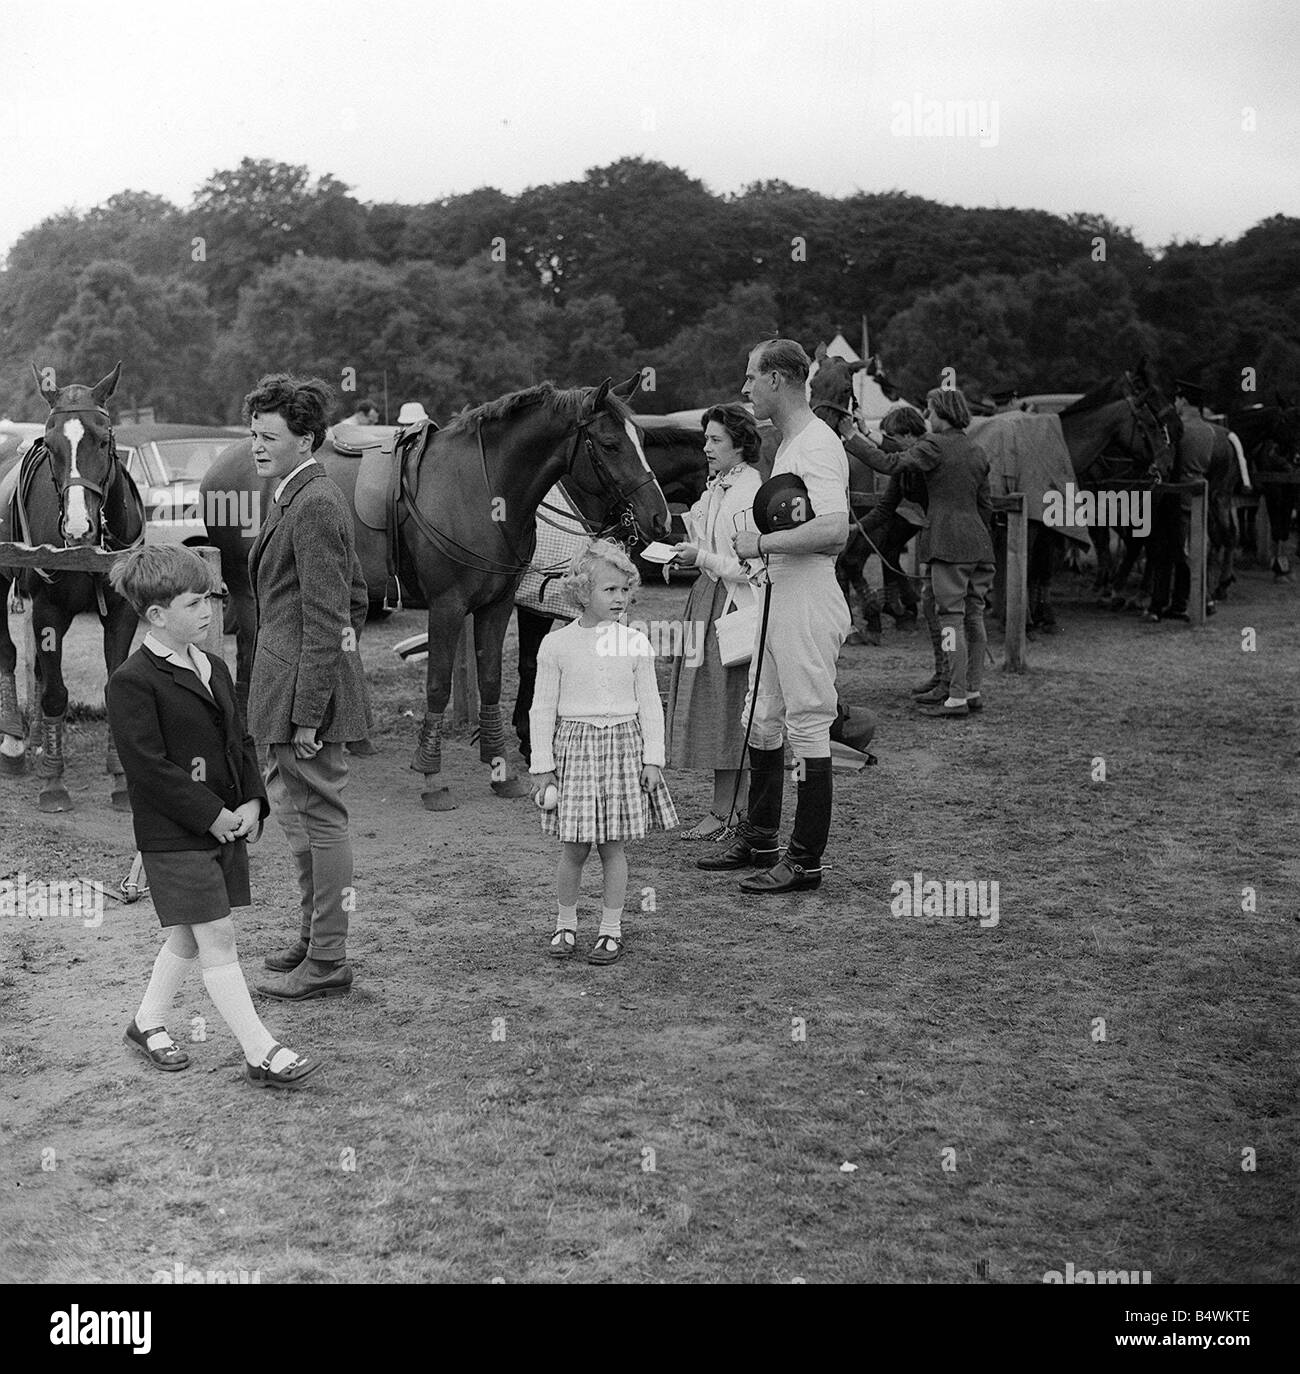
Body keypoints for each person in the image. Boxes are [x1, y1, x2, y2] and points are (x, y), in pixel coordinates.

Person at [106, 545, 318, 1089]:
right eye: (194, 602)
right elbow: (149, 771)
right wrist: (212, 816)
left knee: (189, 934)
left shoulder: (214, 665)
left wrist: (251, 801)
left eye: (210, 598)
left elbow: (239, 742)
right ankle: (261, 1051)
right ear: (156, 616)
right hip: (173, 834)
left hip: (223, 822)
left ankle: (147, 1021)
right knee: (217, 934)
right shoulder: (131, 681)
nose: (208, 610)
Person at [698, 339, 851, 895]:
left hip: (806, 595)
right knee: (761, 715)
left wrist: (761, 542)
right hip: (778, 594)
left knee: (808, 721)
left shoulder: (814, 444)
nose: (745, 388)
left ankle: (805, 860)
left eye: (751, 378)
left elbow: (835, 529)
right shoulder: (788, 446)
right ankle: (760, 837)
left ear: (778, 381)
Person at [241, 375, 373, 1001]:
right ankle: (312, 936)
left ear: (307, 439)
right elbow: (354, 595)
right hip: (286, 687)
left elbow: (331, 615)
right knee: (296, 819)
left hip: (303, 698)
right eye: (254, 433)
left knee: (322, 822)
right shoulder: (294, 495)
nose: (257, 445)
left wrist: (310, 708)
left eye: (269, 436)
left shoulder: (315, 502)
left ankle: (327, 962)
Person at [529, 538, 678, 964]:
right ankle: (565, 924)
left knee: (613, 846)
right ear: (582, 593)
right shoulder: (556, 645)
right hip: (575, 753)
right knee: (574, 848)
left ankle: (610, 930)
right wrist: (543, 767)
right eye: (608, 590)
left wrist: (653, 759)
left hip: (622, 750)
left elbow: (651, 704)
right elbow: (542, 709)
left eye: (624, 589)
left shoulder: (635, 642)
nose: (619, 598)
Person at [842, 386, 995, 717]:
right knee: (974, 616)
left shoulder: (935, 446)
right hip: (980, 546)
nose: (927, 417)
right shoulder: (977, 450)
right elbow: (985, 506)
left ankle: (954, 697)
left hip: (948, 544)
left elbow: (888, 462)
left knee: (951, 619)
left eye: (930, 411)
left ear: (942, 413)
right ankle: (972, 689)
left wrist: (852, 435)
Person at [665, 403, 763, 840]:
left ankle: (727, 811)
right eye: (706, 439)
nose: (706, 447)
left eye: (715, 439)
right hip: (707, 598)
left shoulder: (748, 491)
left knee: (728, 708)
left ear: (739, 444)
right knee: (716, 707)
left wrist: (700, 557)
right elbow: (706, 545)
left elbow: (750, 566)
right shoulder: (720, 486)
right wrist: (680, 556)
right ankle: (730, 809)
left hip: (734, 606)